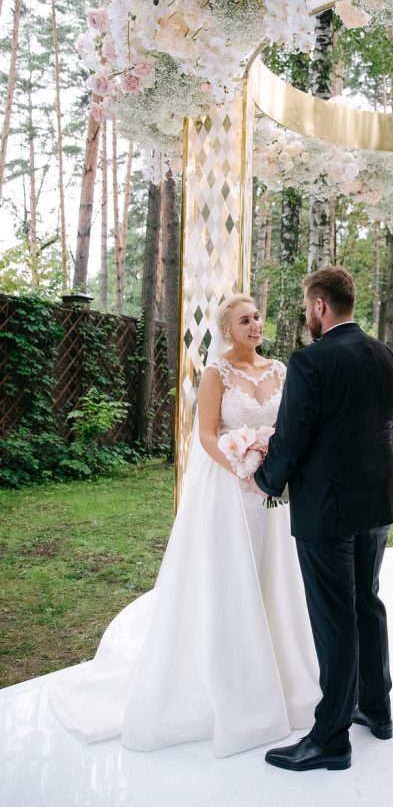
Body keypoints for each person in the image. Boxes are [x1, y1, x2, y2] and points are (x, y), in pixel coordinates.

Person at [48, 294, 319, 757]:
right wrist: (241, 466)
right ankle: (229, 675)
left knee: (273, 572)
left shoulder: (280, 371)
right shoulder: (217, 374)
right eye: (245, 320)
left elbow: (290, 427)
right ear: (227, 330)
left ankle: (280, 670)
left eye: (257, 317)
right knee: (232, 576)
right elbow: (206, 434)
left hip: (274, 490)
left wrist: (274, 462)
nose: (256, 325)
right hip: (231, 490)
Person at [253, 266, 393, 772]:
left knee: (334, 617)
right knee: (367, 601)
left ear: (320, 306)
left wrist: (266, 479)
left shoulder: (311, 361)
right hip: (378, 500)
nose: (307, 316)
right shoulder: (385, 354)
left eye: (307, 307)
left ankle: (331, 737)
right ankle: (377, 709)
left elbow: (293, 438)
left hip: (328, 507)